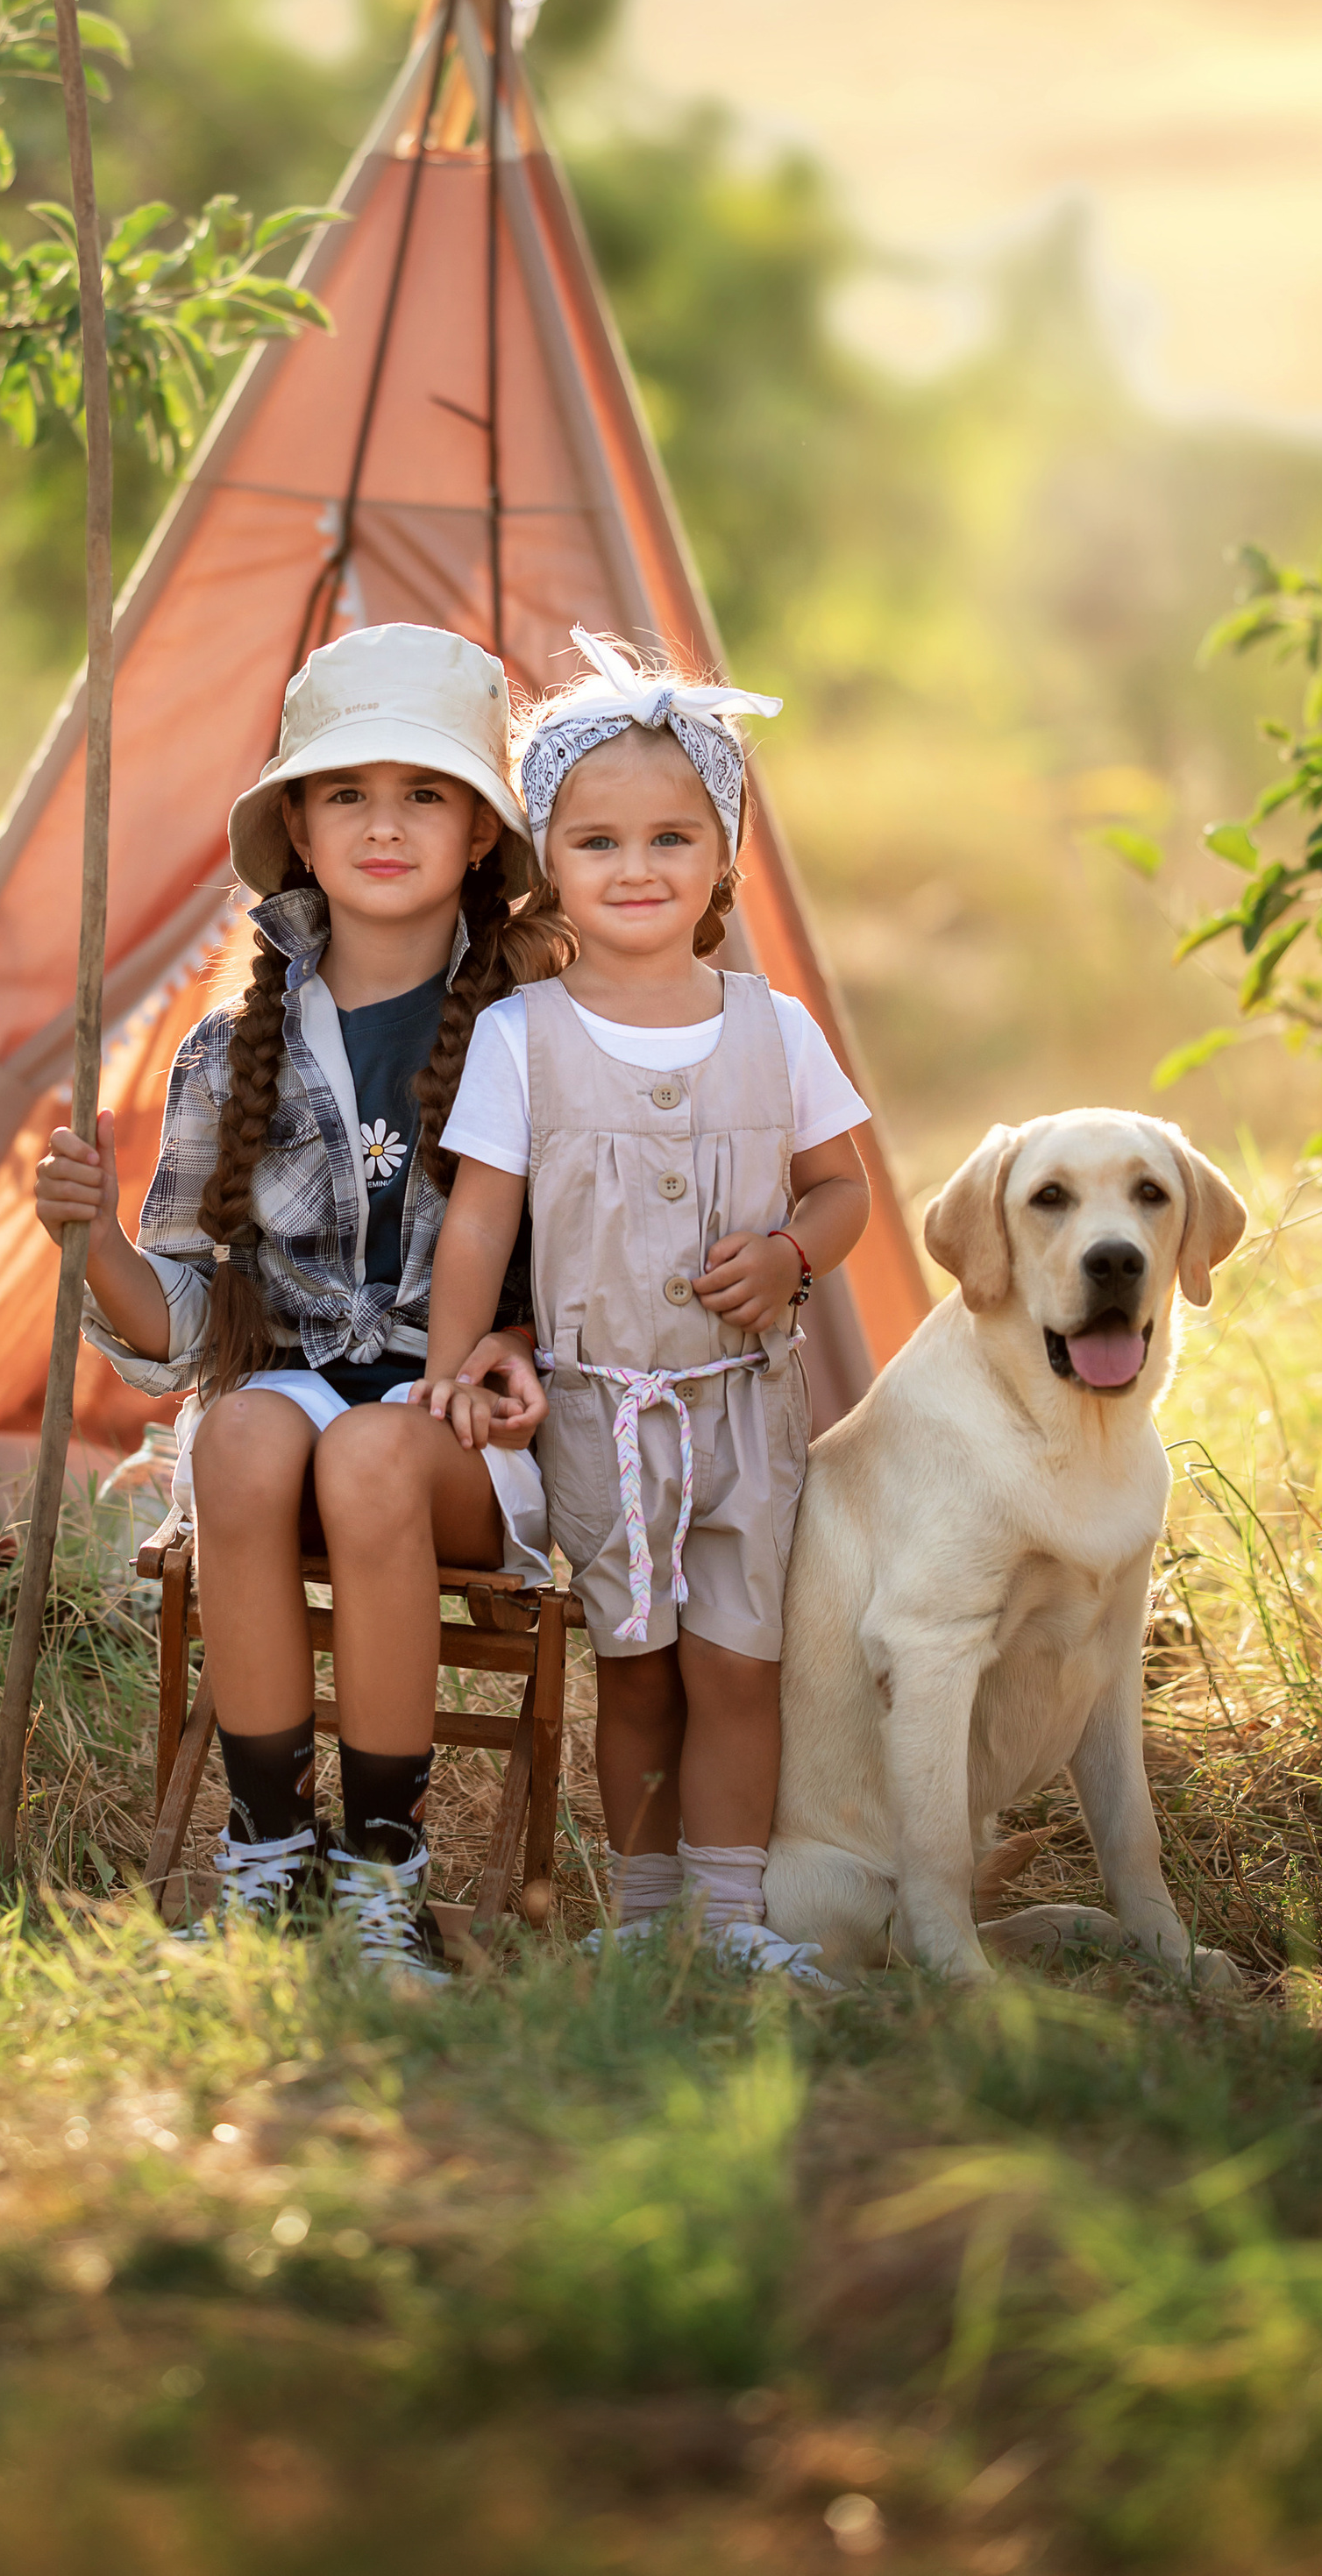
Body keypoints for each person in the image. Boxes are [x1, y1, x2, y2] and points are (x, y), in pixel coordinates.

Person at [34, 622, 562, 1976]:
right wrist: (91, 1244)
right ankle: (271, 1856)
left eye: (425, 793)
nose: (384, 825)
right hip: (294, 1402)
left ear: (483, 835)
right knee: (237, 1435)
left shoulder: (540, 1033)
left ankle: (385, 1874)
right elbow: (181, 1331)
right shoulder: (232, 1051)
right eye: (346, 794)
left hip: (462, 1438)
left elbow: (588, 1267)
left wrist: (517, 1347)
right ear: (301, 832)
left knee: (373, 1453)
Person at [415, 627, 871, 1980]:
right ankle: (647, 1915)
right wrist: (453, 1363)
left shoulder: (773, 1027)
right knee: (638, 1666)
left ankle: (732, 1923)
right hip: (603, 1414)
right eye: (598, 840)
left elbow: (841, 1192)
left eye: (673, 838)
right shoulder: (524, 1037)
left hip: (744, 1411)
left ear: (724, 856)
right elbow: (480, 1219)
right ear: (548, 860)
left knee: (737, 1662)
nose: (637, 868)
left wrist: (791, 1257)